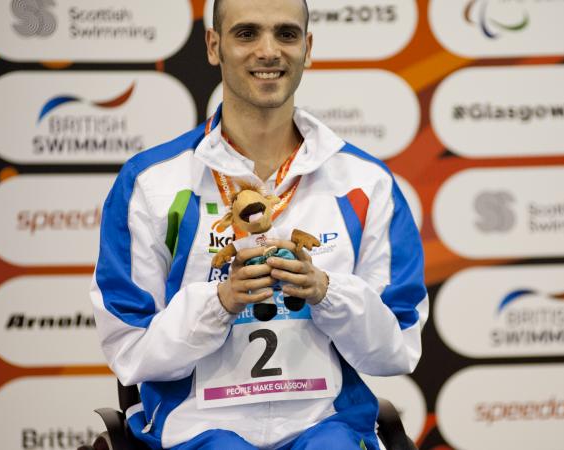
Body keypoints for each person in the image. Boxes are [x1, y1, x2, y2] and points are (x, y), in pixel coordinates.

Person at [89, 0, 428, 448]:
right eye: (246, 34)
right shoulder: (152, 183)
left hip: (327, 422)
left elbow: (396, 350)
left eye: (286, 35)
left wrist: (328, 292)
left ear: (307, 48)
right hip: (195, 426)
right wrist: (220, 302)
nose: (268, 51)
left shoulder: (366, 184)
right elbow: (130, 351)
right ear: (214, 46)